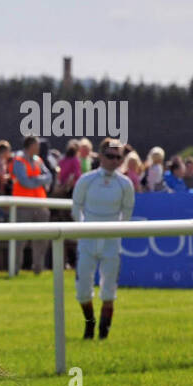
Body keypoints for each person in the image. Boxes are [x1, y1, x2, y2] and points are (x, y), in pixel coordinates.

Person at [72, 138, 135, 339]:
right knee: (82, 290)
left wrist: (117, 230)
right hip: (88, 240)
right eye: (110, 156)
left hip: (111, 242)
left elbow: (127, 211)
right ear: (100, 156)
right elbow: (76, 207)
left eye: (119, 157)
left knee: (109, 291)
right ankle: (89, 325)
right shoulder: (86, 180)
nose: (114, 161)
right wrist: (85, 228)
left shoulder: (125, 183)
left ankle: (103, 333)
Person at [12, 136, 53, 273]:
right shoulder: (18, 160)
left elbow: (49, 176)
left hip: (40, 203)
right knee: (20, 239)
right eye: (37, 145)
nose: (39, 148)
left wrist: (35, 179)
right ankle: (15, 268)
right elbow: (25, 182)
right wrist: (40, 180)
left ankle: (38, 268)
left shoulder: (38, 160)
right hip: (23, 204)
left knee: (41, 238)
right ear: (30, 146)